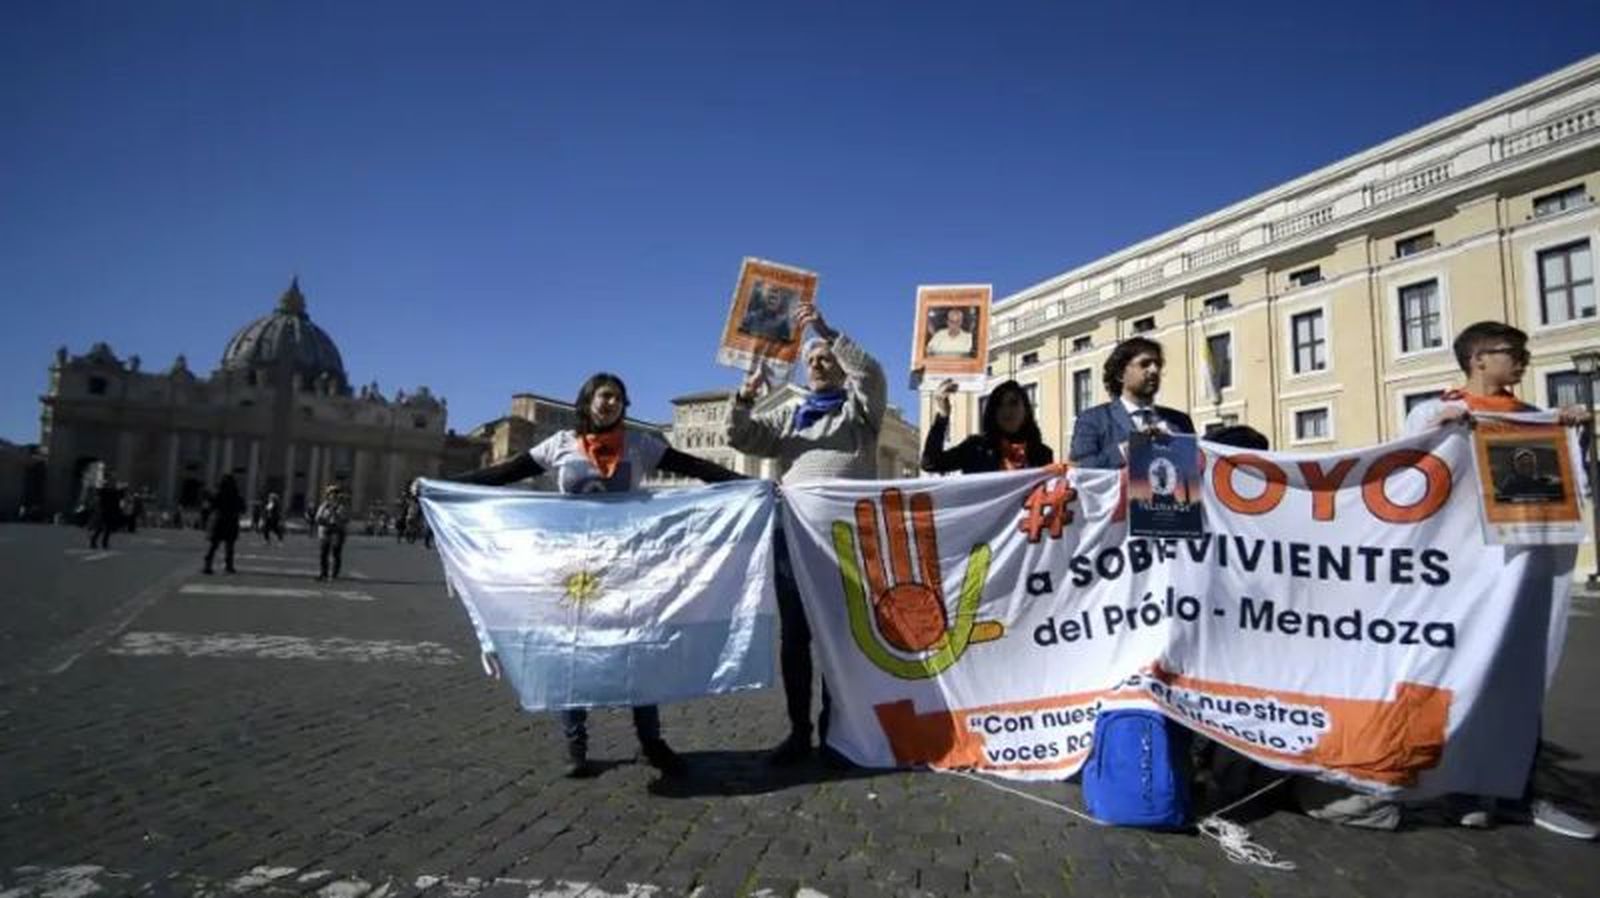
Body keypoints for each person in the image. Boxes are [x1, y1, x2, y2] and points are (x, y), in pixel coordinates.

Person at [439, 372, 745, 780]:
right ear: (588, 401)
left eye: (619, 398)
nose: (612, 404)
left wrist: (747, 486)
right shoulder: (561, 444)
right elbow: (506, 473)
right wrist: (443, 486)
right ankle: (576, 742)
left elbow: (691, 465)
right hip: (572, 568)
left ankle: (651, 742)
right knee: (572, 650)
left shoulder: (639, 445)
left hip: (627, 566)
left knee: (638, 648)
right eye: (605, 396)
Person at [1403, 320, 1594, 839]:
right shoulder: (1432, 410)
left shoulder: (1534, 419)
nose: (1523, 361)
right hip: (1460, 572)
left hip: (1519, 569)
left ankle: (1515, 788)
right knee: (1460, 673)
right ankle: (1459, 785)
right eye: (1512, 352)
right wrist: (1436, 431)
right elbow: (1403, 471)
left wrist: (1573, 433)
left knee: (1518, 677)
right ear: (1478, 359)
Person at [726, 302, 886, 766]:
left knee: (842, 638)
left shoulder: (860, 413)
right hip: (794, 542)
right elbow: (744, 440)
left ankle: (837, 729)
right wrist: (744, 398)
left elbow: (871, 374)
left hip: (846, 545)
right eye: (810, 359)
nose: (816, 364)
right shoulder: (790, 415)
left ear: (838, 366)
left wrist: (824, 330)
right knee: (795, 638)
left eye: (824, 359)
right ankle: (798, 731)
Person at [1070, 336, 1195, 468]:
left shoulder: (1181, 421)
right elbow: (1080, 469)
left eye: (1157, 364)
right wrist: (1126, 451)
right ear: (1120, 374)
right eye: (1144, 364)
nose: (1154, 370)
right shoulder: (1092, 420)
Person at [920, 379, 1053, 474]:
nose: (1007, 410)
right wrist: (943, 416)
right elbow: (930, 463)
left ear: (1026, 409)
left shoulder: (1042, 454)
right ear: (992, 412)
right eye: (999, 405)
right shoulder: (975, 448)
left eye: (1013, 403)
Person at [203, 475, 245, 575]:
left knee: (214, 545)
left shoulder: (219, 494)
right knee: (229, 546)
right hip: (232, 522)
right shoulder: (237, 496)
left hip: (221, 521)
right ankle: (229, 566)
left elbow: (211, 507)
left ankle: (208, 565)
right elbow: (243, 509)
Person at [314, 485, 350, 581]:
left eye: (335, 494)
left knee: (335, 553)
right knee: (323, 553)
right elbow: (317, 518)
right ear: (328, 495)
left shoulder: (342, 506)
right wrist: (323, 521)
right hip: (325, 531)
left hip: (337, 531)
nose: (333, 496)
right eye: (331, 494)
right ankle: (323, 573)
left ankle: (334, 574)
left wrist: (335, 513)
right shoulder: (323, 506)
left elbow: (345, 519)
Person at [87, 469, 123, 549]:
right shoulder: (104, 490)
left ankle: (104, 543)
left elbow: (118, 500)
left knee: (108, 528)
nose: (112, 483)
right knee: (100, 528)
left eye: (113, 482)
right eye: (111, 481)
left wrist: (117, 510)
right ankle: (94, 541)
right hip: (104, 510)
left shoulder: (115, 491)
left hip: (111, 511)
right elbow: (100, 498)